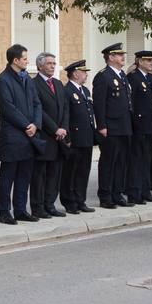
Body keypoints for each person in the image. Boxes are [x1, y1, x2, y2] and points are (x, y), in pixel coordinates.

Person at [0, 44, 42, 224]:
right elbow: (8, 108)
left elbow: (37, 103)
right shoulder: (2, 80)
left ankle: (21, 209)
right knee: (8, 177)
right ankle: (5, 212)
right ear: (15, 60)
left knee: (24, 175)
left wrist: (35, 124)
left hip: (30, 135)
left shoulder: (27, 79)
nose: (27, 61)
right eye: (24, 58)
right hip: (12, 136)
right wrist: (26, 125)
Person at [93, 43, 133, 208]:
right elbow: (99, 103)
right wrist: (102, 125)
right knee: (108, 162)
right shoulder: (103, 76)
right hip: (110, 126)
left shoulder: (122, 74)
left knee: (121, 162)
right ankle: (105, 196)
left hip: (124, 125)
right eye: (118, 54)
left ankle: (117, 194)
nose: (122, 57)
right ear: (110, 57)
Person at [32, 53, 70, 218]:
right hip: (45, 136)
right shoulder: (34, 84)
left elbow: (65, 108)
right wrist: (55, 129)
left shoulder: (58, 83)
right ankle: (38, 207)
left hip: (59, 137)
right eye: (49, 63)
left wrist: (64, 128)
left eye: (54, 63)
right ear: (40, 66)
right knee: (40, 175)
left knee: (55, 173)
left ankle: (50, 204)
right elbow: (39, 110)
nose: (53, 66)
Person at [61, 60, 98, 214]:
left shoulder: (85, 91)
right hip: (74, 138)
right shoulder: (67, 90)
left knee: (84, 171)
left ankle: (80, 200)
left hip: (86, 137)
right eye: (83, 72)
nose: (86, 74)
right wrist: (67, 138)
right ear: (75, 73)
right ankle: (69, 202)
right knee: (71, 172)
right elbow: (66, 116)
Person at [127, 50, 152, 204]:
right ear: (140, 61)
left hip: (149, 124)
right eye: (147, 61)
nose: (150, 63)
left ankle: (145, 190)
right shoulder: (133, 78)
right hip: (139, 124)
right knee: (136, 160)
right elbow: (132, 103)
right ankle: (135, 192)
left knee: (147, 159)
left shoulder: (149, 77)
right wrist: (135, 123)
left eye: (151, 61)